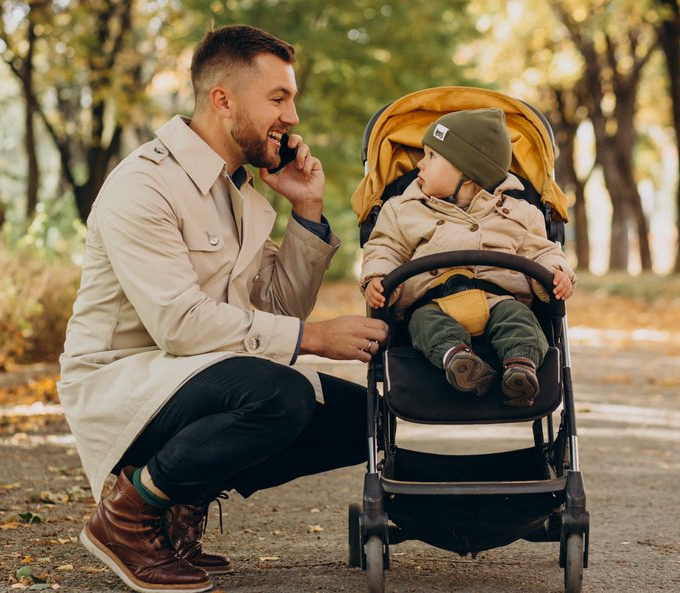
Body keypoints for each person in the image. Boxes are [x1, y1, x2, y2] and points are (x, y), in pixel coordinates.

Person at [57, 24, 387, 593]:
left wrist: (306, 211)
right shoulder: (145, 185)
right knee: (278, 395)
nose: (293, 117)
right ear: (223, 99)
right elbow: (180, 325)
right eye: (278, 99)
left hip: (200, 374)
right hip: (128, 385)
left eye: (292, 99)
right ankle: (130, 514)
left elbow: (274, 308)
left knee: (367, 419)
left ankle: (178, 505)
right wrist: (314, 338)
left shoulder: (239, 194)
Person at [361, 108, 575, 407]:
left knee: (520, 319)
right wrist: (378, 278)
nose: (419, 164)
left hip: (498, 300)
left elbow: (542, 250)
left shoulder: (520, 214)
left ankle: (520, 367)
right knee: (424, 323)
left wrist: (556, 273)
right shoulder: (403, 210)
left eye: (431, 155)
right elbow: (385, 248)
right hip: (433, 302)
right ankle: (458, 360)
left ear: (468, 170)